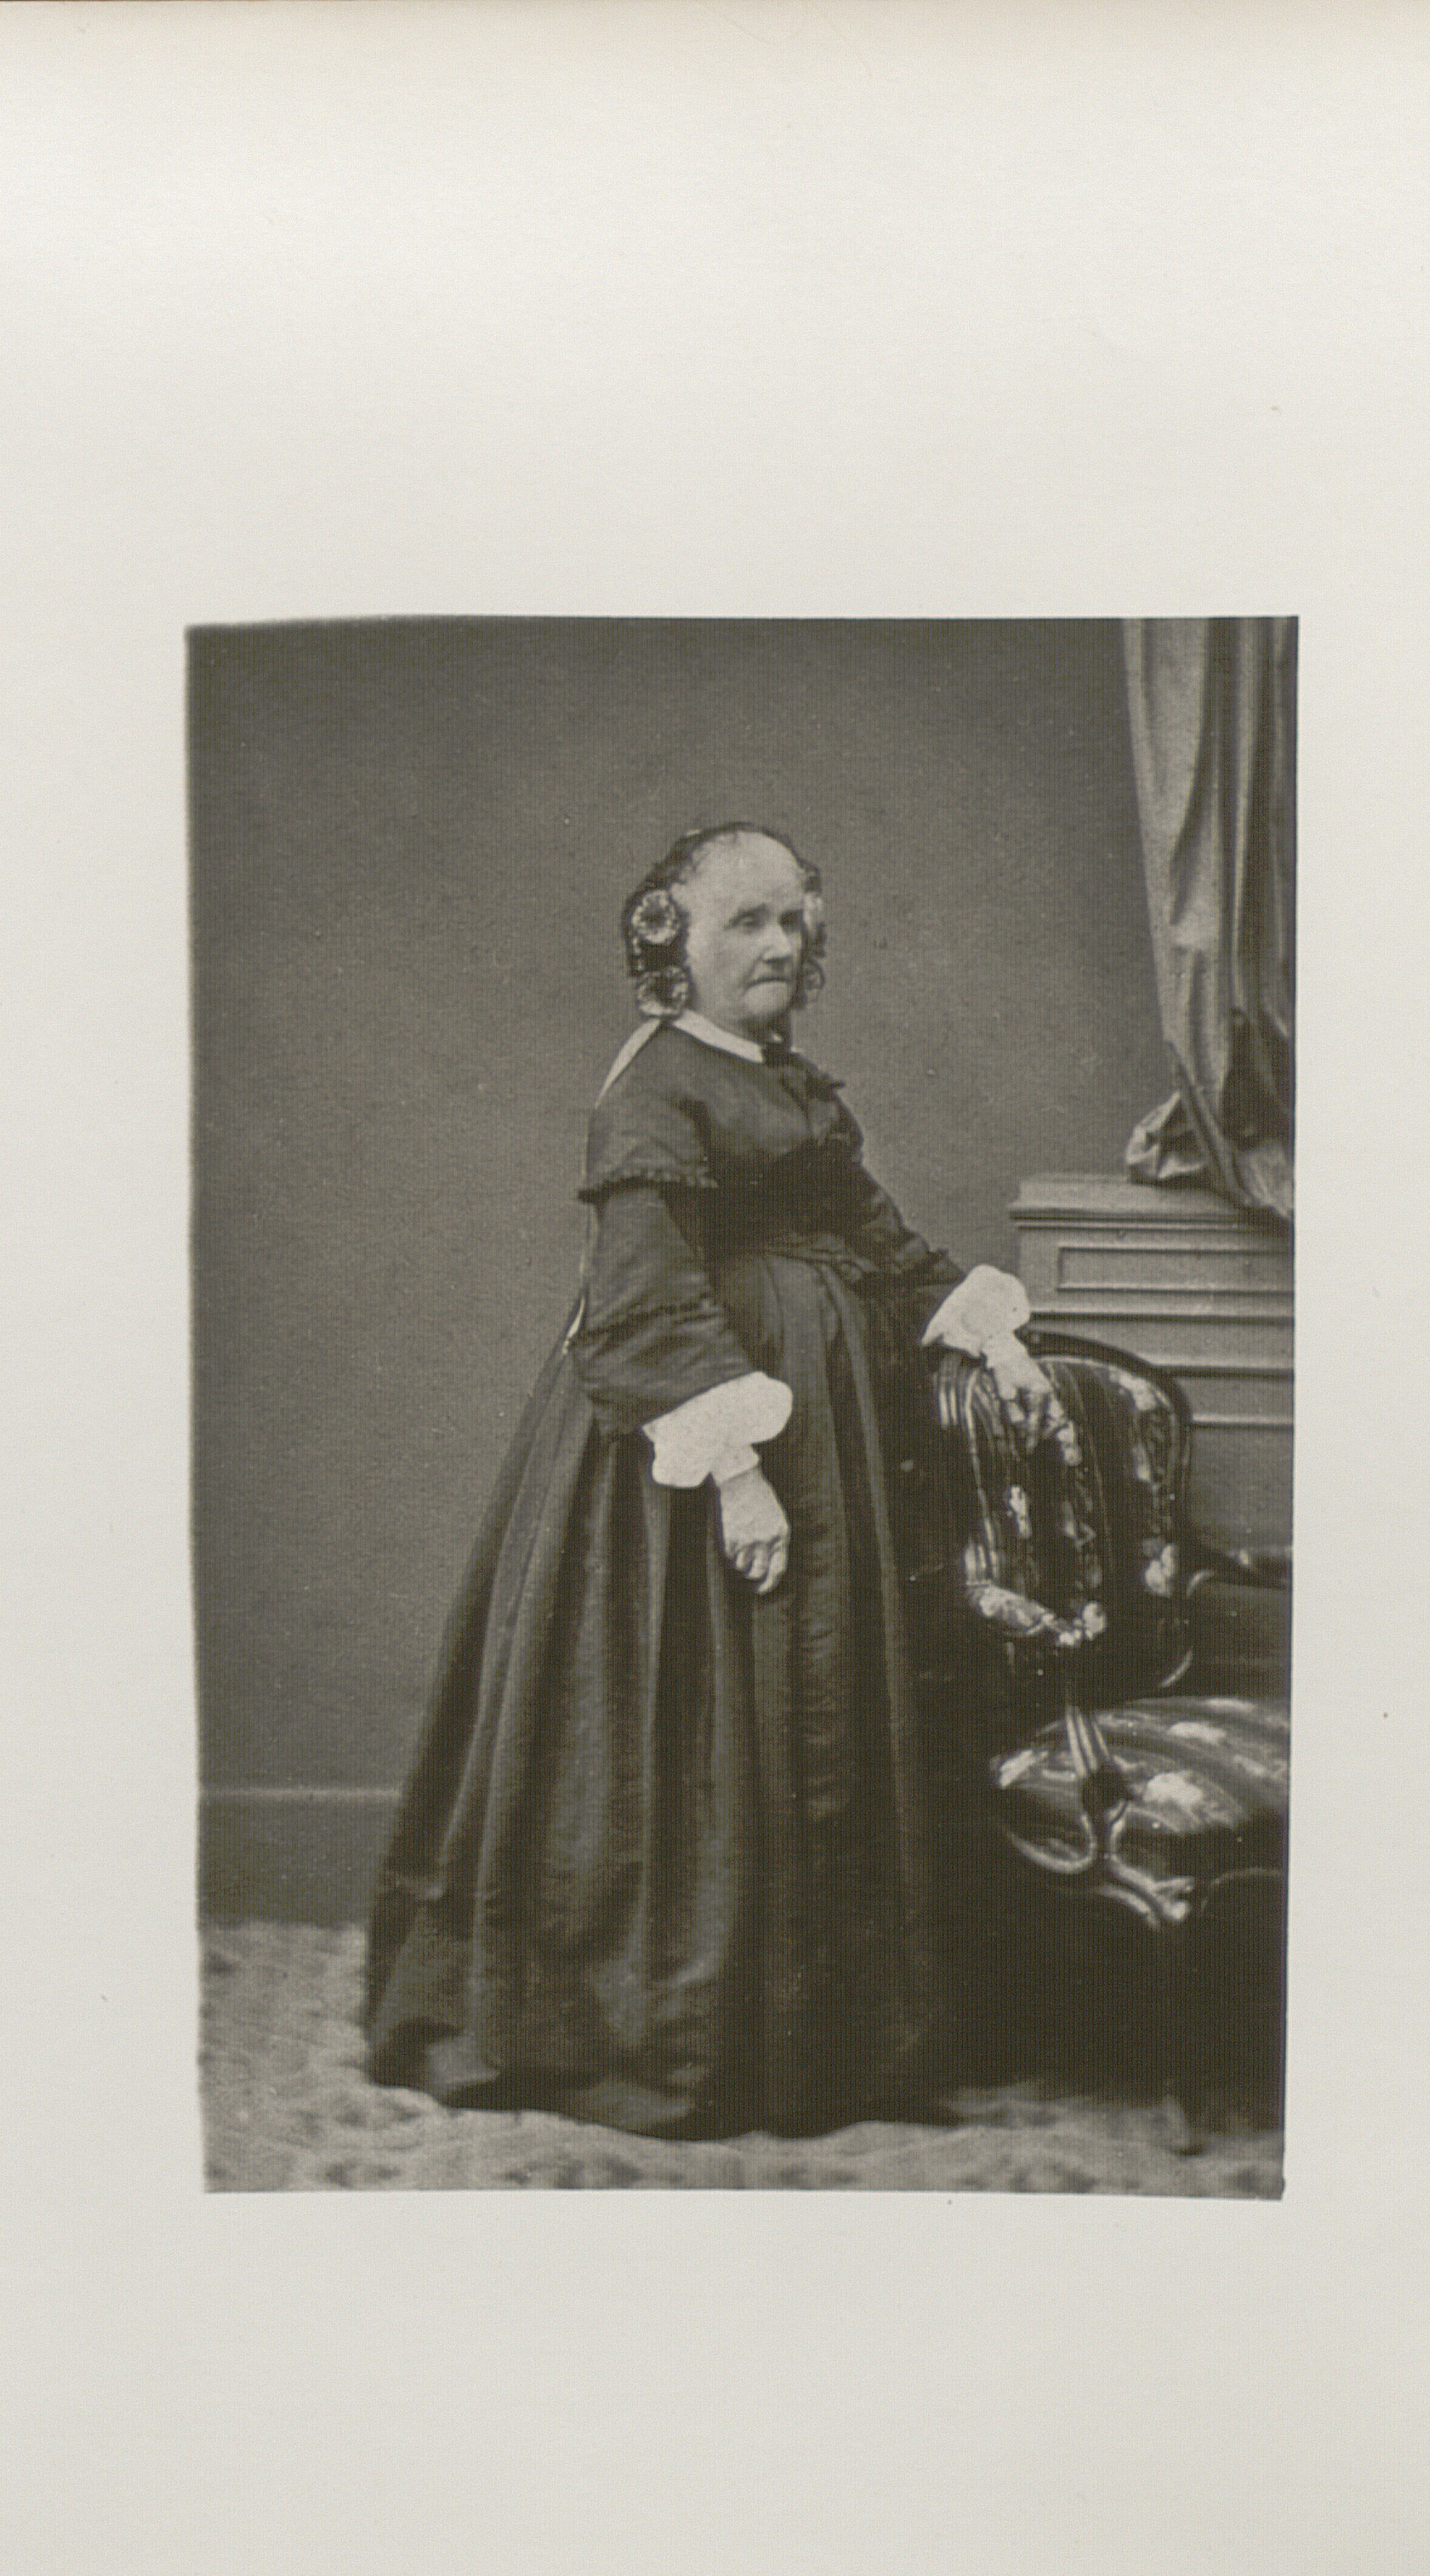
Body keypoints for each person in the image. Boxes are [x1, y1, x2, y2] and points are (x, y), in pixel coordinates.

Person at [365, 824, 1060, 2138]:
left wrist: (997, 1339)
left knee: (815, 1705)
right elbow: (640, 1303)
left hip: (829, 1442)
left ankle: (814, 2026)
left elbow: (876, 1237)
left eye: (793, 920)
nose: (779, 945)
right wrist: (736, 1475)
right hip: (687, 1460)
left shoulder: (784, 1082)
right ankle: (684, 2025)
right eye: (745, 921)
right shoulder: (655, 1084)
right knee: (701, 1714)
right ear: (668, 942)